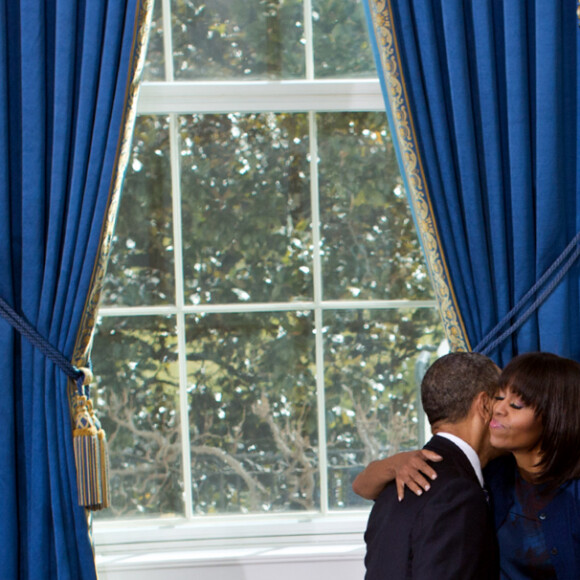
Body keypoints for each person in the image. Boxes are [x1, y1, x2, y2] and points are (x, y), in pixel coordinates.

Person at [355, 351, 580, 580]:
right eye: (499, 398)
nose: (498, 410)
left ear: (555, 417)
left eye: (516, 404)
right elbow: (363, 486)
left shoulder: (570, 491)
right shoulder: (480, 477)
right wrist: (394, 464)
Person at [364, 351, 500, 579]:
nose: (506, 413)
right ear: (485, 405)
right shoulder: (459, 492)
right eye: (502, 399)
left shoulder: (392, 484)